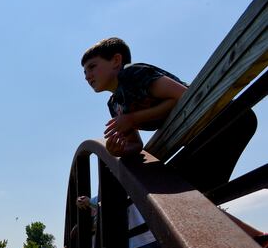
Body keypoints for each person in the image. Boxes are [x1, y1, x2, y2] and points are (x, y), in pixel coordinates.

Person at [81, 37, 256, 194]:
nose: (88, 76)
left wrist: (133, 119)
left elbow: (183, 95)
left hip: (223, 118)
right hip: (200, 135)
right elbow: (136, 144)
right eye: (85, 72)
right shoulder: (115, 105)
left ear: (116, 60)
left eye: (92, 67)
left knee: (193, 193)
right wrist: (117, 150)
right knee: (197, 194)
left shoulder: (133, 74)